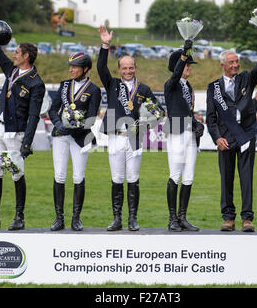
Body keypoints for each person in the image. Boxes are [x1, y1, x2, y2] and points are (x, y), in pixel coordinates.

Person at [206, 28, 257, 232]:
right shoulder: (213, 88)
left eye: (237, 62)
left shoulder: (246, 78)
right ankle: (228, 218)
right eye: (232, 62)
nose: (236, 65)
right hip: (225, 138)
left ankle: (247, 219)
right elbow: (210, 118)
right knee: (226, 179)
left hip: (245, 136)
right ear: (223, 65)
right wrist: (217, 138)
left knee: (246, 178)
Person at [97, 25, 164, 231]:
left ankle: (132, 218)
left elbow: (159, 112)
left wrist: (145, 124)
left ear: (135, 68)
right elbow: (100, 67)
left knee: (133, 179)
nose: (128, 71)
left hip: (135, 138)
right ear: (119, 69)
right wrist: (105, 45)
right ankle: (117, 218)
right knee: (117, 179)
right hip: (116, 137)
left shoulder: (143, 89)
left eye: (131, 67)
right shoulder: (112, 84)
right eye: (124, 68)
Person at [0, 28, 45, 231]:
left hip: (15, 133)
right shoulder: (11, 70)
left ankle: (19, 217)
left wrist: (27, 141)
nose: (13, 55)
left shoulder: (36, 83)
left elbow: (35, 115)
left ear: (26, 56)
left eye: (17, 52)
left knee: (16, 174)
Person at [48, 52, 101, 231]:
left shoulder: (93, 90)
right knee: (59, 175)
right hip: (61, 135)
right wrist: (57, 123)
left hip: (80, 137)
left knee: (78, 176)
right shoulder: (64, 86)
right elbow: (53, 109)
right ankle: (58, 218)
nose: (71, 69)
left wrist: (75, 125)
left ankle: (76, 218)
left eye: (75, 66)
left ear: (85, 69)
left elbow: (92, 117)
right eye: (70, 66)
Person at [164, 41, 204, 232]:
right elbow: (175, 76)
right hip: (176, 134)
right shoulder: (170, 85)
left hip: (189, 135)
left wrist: (197, 124)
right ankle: (172, 218)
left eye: (188, 65)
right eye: (187, 65)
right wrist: (182, 54)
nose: (189, 68)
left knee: (188, 177)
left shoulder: (188, 86)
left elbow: (188, 111)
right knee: (175, 175)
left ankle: (182, 217)